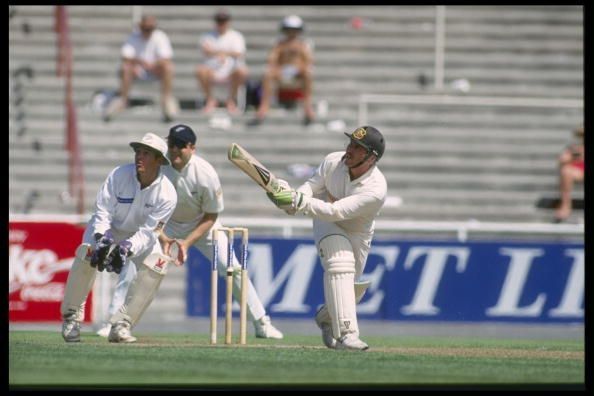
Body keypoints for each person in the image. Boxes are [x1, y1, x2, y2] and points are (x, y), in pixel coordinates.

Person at [97, 124, 284, 340]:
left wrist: (186, 243)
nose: (174, 150)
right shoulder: (160, 166)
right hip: (164, 225)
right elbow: (149, 207)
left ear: (192, 148)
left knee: (233, 267)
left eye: (179, 146)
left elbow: (211, 216)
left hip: (202, 226)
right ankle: (112, 322)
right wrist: (164, 237)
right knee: (132, 263)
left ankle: (262, 323)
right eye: (171, 145)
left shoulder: (205, 174)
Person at [267, 126, 387, 350]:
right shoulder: (333, 161)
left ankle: (326, 317)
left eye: (357, 147)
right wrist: (293, 200)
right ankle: (348, 335)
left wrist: (299, 203)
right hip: (326, 222)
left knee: (350, 291)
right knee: (340, 262)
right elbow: (312, 187)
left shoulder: (376, 189)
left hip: (356, 231)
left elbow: (337, 211)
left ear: (371, 157)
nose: (349, 150)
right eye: (350, 143)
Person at [60, 133, 177, 343]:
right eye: (138, 152)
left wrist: (127, 248)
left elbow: (150, 232)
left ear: (159, 160)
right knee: (86, 253)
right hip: (107, 229)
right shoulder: (119, 175)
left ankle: (122, 324)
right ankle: (71, 318)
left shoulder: (168, 194)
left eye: (146, 153)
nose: (139, 157)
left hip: (137, 237)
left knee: (157, 265)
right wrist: (103, 238)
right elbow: (102, 211)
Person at [103, 15, 178, 122]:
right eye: (145, 29)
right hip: (137, 70)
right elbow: (125, 56)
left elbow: (166, 58)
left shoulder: (160, 36)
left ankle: (166, 99)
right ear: (140, 27)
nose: (147, 32)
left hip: (156, 70)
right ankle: (122, 100)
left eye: (150, 29)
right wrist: (141, 62)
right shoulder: (133, 36)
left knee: (168, 67)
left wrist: (153, 64)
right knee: (125, 68)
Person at [249, 15, 315, 126]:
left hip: (298, 74)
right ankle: (264, 107)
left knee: (307, 74)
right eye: (289, 29)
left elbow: (308, 62)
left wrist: (298, 59)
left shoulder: (305, 44)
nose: (291, 32)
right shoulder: (278, 44)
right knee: (268, 74)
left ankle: (307, 107)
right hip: (281, 72)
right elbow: (272, 60)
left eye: (294, 30)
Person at [196, 10, 248, 115]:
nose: (221, 24)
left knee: (242, 71)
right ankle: (210, 99)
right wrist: (226, 53)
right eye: (219, 21)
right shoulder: (207, 36)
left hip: (230, 71)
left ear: (228, 22)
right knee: (200, 71)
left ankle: (231, 100)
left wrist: (217, 52)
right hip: (212, 71)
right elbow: (205, 51)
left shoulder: (236, 36)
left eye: (223, 21)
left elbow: (239, 53)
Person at [554, 125, 584, 223]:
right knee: (566, 170)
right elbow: (562, 160)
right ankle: (566, 206)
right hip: (578, 172)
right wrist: (574, 156)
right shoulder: (574, 148)